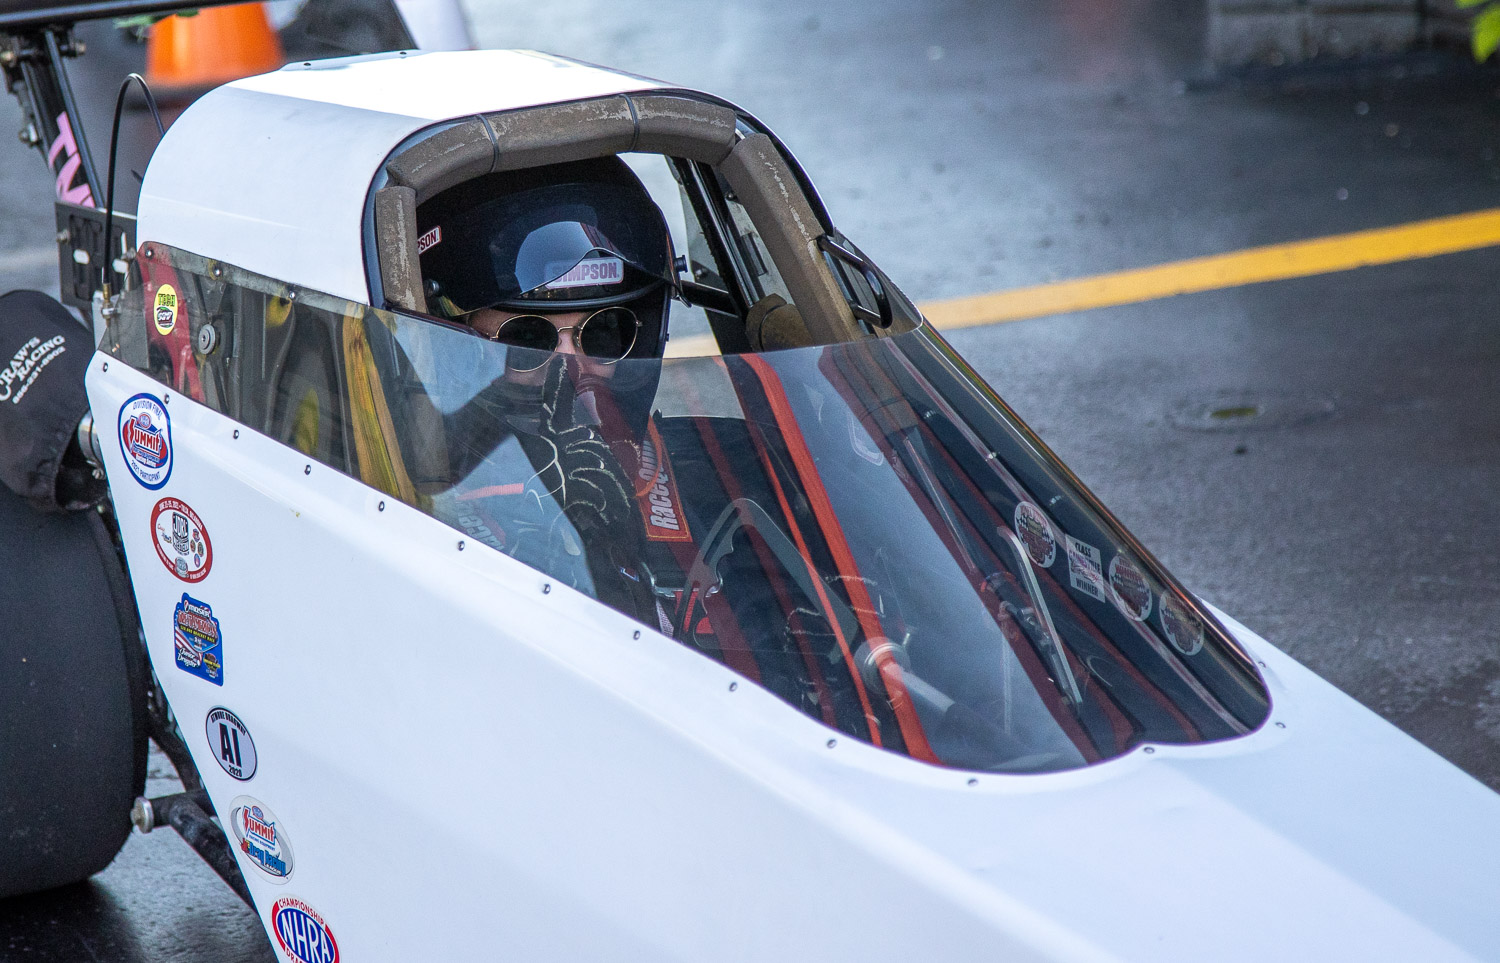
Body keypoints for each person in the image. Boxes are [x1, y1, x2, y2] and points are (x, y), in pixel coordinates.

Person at [413, 156, 682, 617]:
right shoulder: (402, 501)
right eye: (526, 340)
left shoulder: (713, 467)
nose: (571, 371)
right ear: (454, 348)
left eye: (604, 332)